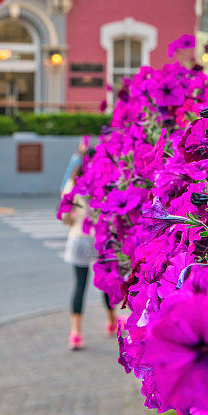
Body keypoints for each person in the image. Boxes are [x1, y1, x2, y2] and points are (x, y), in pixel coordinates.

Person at [60, 149, 116, 350]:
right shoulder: (103, 181)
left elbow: (65, 215)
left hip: (78, 239)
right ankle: (112, 323)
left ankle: (75, 333)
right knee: (106, 284)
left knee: (80, 285)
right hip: (99, 239)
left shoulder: (72, 184)